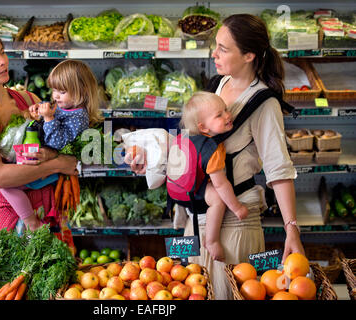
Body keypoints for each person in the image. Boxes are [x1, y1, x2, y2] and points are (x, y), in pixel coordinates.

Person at [125, 14, 305, 299]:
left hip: (234, 225)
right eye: (215, 45)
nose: (214, 53)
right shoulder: (215, 85)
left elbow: (279, 170)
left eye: (223, 48)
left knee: (228, 293)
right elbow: (190, 145)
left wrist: (291, 229)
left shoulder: (263, 103)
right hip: (193, 220)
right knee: (189, 292)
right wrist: (151, 157)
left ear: (248, 55)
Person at [0, 30, 78, 233]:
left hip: (49, 210)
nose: (3, 61)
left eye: (2, 52)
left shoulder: (27, 100)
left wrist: (54, 154)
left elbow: (61, 142)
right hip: (12, 222)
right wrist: (57, 164)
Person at [0, 60, 103, 229]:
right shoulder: (66, 107)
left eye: (62, 91)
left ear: (82, 91)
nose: (55, 96)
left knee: (7, 186)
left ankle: (32, 223)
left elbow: (58, 142)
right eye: (54, 90)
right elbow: (50, 122)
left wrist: (48, 118)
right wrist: (38, 112)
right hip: (42, 161)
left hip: (51, 171)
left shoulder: (79, 117)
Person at [180, 91, 249, 262]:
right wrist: (237, 207)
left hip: (181, 185)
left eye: (225, 110)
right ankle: (211, 241)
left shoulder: (188, 137)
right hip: (195, 188)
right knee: (218, 199)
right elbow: (220, 184)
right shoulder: (211, 149)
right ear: (203, 127)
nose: (228, 115)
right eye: (219, 115)